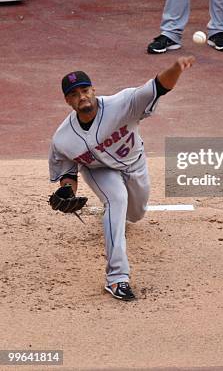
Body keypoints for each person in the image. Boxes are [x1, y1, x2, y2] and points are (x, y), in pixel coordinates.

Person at [49, 57, 195, 300]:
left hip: (134, 164)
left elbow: (159, 86)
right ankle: (117, 278)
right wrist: (67, 191)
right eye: (74, 94)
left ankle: (115, 220)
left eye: (85, 90)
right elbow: (68, 172)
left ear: (93, 90)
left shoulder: (122, 103)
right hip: (98, 171)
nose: (82, 96)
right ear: (68, 101)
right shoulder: (62, 138)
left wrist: (176, 69)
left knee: (135, 214)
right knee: (116, 199)